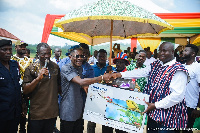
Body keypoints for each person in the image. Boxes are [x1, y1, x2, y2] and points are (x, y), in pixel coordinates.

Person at [104, 42, 189, 132]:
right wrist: (119, 74)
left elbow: (177, 96)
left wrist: (155, 105)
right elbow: (140, 72)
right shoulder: (157, 64)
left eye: (165, 51)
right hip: (153, 114)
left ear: (172, 52)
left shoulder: (178, 70)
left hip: (168, 117)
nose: (161, 53)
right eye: (160, 51)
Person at [59, 46, 109, 133]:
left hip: (78, 110)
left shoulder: (80, 68)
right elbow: (81, 82)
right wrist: (101, 77)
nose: (80, 58)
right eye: (77, 56)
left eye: (82, 56)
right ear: (70, 57)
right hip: (68, 111)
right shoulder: (66, 68)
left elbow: (80, 84)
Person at [22, 43, 61, 133]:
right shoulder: (31, 68)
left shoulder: (55, 67)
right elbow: (25, 90)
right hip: (37, 113)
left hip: (51, 113)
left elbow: (59, 87)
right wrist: (38, 78)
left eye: (48, 53)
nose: (46, 56)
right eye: (43, 54)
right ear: (38, 53)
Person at [87, 49, 115, 133]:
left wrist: (110, 73)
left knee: (106, 123)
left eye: (103, 56)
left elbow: (114, 83)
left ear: (106, 58)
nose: (101, 58)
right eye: (100, 56)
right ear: (96, 57)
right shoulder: (91, 68)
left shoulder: (111, 69)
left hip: (107, 99)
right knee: (91, 122)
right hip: (94, 98)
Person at [0, 39, 21, 133]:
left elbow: (17, 85)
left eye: (10, 49)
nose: (8, 52)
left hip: (14, 112)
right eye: (4, 50)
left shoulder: (14, 65)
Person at [11, 40, 32, 133]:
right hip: (14, 90)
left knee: (24, 113)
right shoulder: (11, 59)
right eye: (21, 46)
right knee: (14, 113)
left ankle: (22, 129)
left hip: (26, 90)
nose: (23, 48)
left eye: (24, 46)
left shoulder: (29, 60)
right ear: (16, 48)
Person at [182, 44, 200, 132]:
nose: (183, 52)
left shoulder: (197, 67)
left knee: (187, 130)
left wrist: (198, 108)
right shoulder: (182, 66)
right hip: (180, 104)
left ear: (193, 54)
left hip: (191, 106)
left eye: (186, 51)